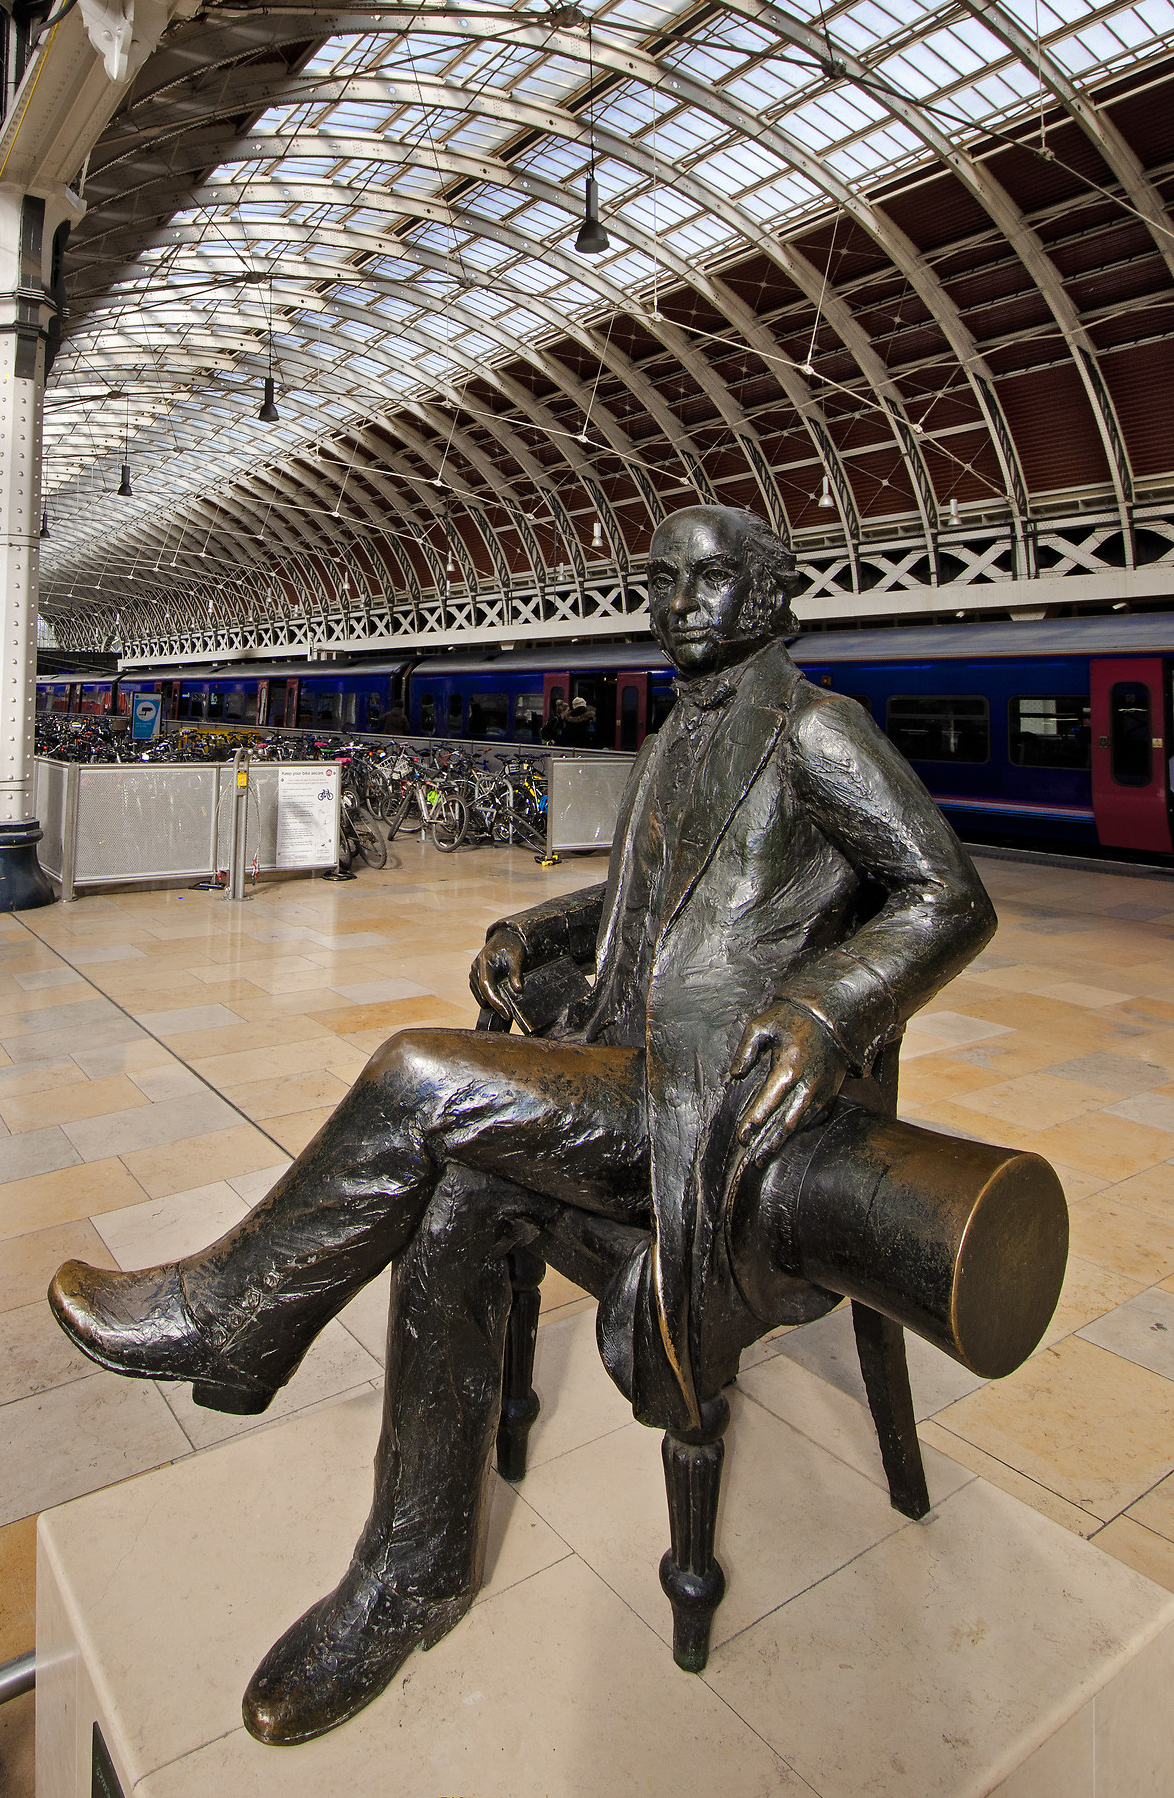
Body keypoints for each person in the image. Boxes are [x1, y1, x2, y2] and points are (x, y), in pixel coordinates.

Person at [49, 505, 995, 1745]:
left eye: (706, 581)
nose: (675, 600)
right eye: (659, 580)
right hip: (624, 1069)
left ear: (770, 599)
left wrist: (825, 1010)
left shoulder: (818, 735)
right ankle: (410, 1573)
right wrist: (538, 934)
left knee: (415, 1074)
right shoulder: (675, 737)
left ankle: (231, 1315)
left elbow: (946, 897)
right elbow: (641, 896)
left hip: (708, 1115)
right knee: (449, 1205)